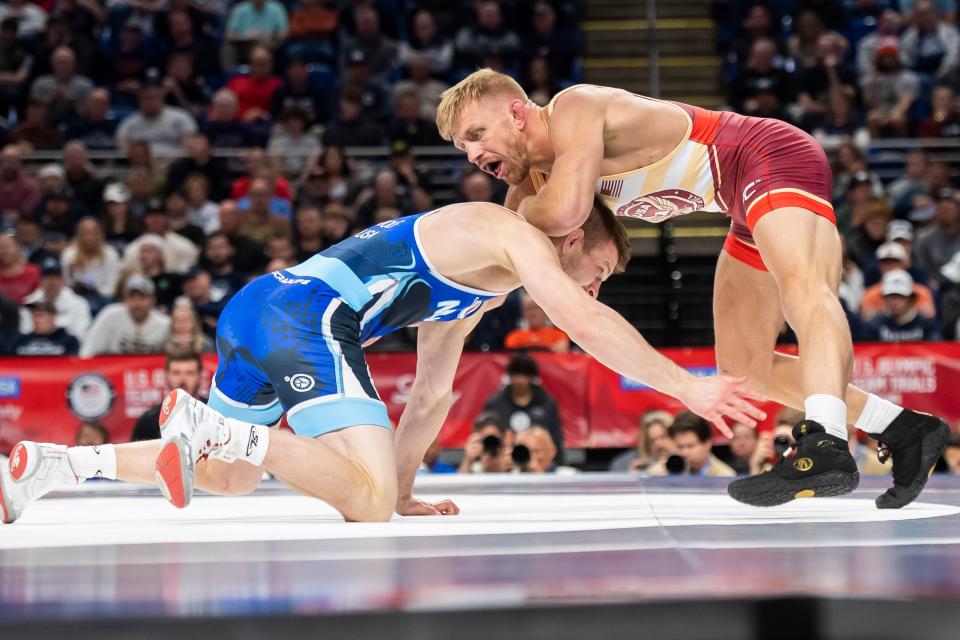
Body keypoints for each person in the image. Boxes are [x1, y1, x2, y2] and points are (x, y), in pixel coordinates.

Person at [1, 200, 763, 524]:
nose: (594, 283)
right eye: (598, 267)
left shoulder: (478, 291)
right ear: (572, 237)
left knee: (230, 480)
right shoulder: (500, 232)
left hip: (260, 311)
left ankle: (48, 467)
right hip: (304, 316)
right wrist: (684, 385)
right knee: (354, 503)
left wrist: (402, 490)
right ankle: (211, 427)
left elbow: (431, 394)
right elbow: (582, 318)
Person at [435, 68, 950, 509]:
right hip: (738, 203)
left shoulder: (574, 108)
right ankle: (905, 428)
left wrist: (509, 221)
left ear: (518, 113)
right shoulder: (533, 185)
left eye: (478, 134)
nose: (473, 155)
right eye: (463, 147)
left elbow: (564, 213)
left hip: (768, 153)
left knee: (804, 290)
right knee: (745, 368)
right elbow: (499, 276)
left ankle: (827, 441)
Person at [481, 352, 565, 461]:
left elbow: (555, 438)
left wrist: (558, 463)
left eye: (525, 375)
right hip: (502, 462)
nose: (520, 380)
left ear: (532, 377)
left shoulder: (547, 403)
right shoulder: (495, 403)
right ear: (510, 376)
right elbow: (486, 436)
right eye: (516, 375)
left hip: (539, 462)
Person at [79, 275, 171, 357]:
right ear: (124, 299)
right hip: (113, 372)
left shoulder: (164, 324)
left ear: (153, 299)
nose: (137, 303)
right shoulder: (110, 316)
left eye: (142, 297)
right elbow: (87, 353)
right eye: (132, 297)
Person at [131, 352, 204, 442]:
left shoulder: (214, 412)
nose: (182, 379)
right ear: (166, 376)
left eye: (190, 373)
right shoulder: (148, 421)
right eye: (176, 373)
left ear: (200, 376)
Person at [862, 270, 943, 342]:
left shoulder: (927, 325)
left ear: (911, 299)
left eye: (900, 296)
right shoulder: (874, 326)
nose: (895, 302)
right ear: (884, 299)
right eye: (891, 296)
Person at [648, 412, 736, 477]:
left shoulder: (725, 476)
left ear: (708, 443)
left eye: (690, 446)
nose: (685, 453)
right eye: (680, 447)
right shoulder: (658, 472)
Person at [608, 409, 675, 472]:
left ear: (674, 436)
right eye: (651, 441)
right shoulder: (623, 464)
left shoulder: (684, 459)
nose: (659, 444)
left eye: (663, 437)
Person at [503, 290, 569, 352]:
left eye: (536, 308)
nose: (532, 313)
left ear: (545, 311)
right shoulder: (514, 337)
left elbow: (562, 352)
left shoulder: (558, 336)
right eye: (528, 309)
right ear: (523, 312)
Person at [12, 300, 80, 356]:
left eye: (40, 315)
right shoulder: (20, 340)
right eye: (33, 315)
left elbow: (70, 368)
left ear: (53, 317)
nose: (35, 320)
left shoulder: (69, 341)